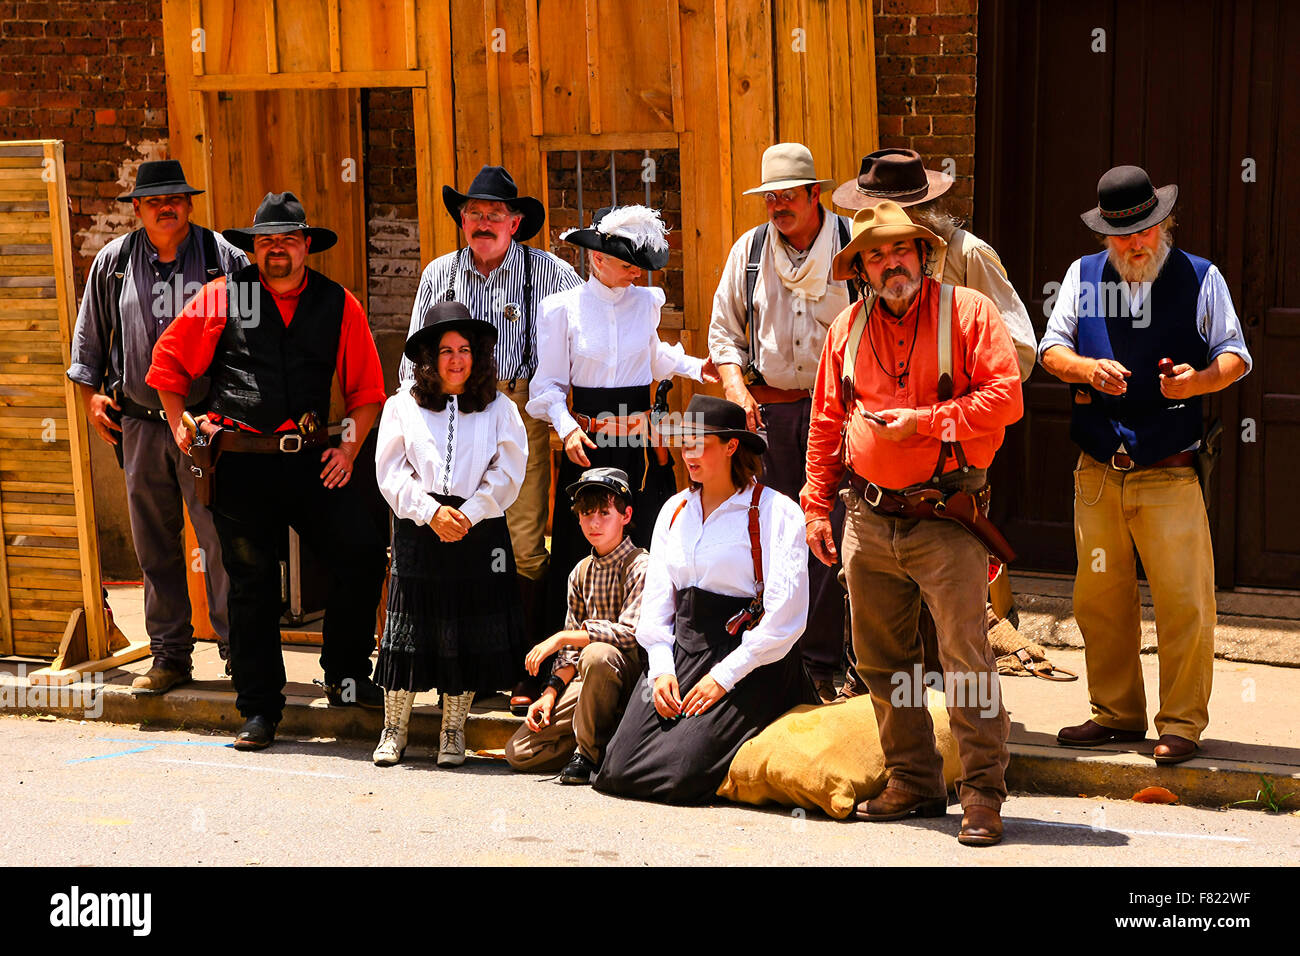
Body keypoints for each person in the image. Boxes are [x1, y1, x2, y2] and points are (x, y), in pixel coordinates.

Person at [802, 201, 1022, 846]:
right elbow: (825, 421)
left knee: (967, 660)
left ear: (923, 255)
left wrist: (925, 422)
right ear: (862, 268)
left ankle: (982, 791)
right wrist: (818, 502)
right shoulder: (845, 327)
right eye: (875, 253)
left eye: (901, 249)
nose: (890, 262)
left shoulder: (969, 312)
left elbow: (1005, 399)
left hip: (945, 514)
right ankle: (914, 780)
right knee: (883, 659)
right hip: (868, 517)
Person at [147, 191, 389, 751]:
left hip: (313, 463)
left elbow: (367, 392)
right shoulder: (222, 296)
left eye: (286, 238)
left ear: (306, 245)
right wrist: (180, 424)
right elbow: (167, 364)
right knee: (251, 588)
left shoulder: (339, 303)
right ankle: (259, 710)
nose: (275, 248)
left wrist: (348, 450)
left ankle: (348, 677)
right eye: (264, 240)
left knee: (359, 556)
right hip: (242, 467)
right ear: (253, 248)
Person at [1039, 165, 1251, 765]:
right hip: (1099, 467)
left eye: (1147, 230)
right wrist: (1086, 370)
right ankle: (1116, 714)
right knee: (1099, 600)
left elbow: (1235, 355)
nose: (1137, 243)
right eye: (1123, 234)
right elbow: (1050, 349)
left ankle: (1182, 723)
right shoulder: (1082, 277)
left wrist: (1197, 383)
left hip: (1170, 468)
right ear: (1105, 233)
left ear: (1165, 223)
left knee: (1185, 601)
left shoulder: (1200, 277)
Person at [831, 147, 1038, 697]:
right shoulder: (871, 267)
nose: (887, 240)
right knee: (892, 649)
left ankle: (975, 767)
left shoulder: (971, 260)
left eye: (898, 214)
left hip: (954, 460)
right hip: (880, 492)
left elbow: (1016, 357)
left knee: (961, 644)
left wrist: (941, 409)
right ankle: (915, 766)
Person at [400, 165, 581, 715]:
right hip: (444, 410)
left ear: (515, 221)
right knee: (458, 535)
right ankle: (470, 669)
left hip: (516, 408)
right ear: (462, 219)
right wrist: (410, 422)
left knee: (523, 545)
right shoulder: (438, 274)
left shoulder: (550, 272)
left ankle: (523, 667)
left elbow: (587, 333)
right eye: (473, 213)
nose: (482, 222)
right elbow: (414, 357)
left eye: (494, 214)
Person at [68, 159, 246, 693]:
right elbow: (89, 345)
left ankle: (241, 657)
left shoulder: (225, 259)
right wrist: (92, 397)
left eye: (175, 199)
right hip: (141, 426)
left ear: (190, 204)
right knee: (153, 544)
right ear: (138, 210)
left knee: (221, 542)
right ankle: (170, 657)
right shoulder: (113, 264)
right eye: (153, 201)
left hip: (208, 427)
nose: (166, 207)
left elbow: (251, 342)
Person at [593, 395, 817, 805]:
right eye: (684, 442)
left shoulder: (775, 512)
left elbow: (786, 616)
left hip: (751, 657)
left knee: (681, 774)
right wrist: (661, 669)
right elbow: (658, 607)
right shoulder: (674, 510)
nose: (688, 453)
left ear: (732, 446)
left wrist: (724, 676)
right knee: (618, 768)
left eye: (700, 442)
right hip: (685, 650)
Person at [707, 143, 855, 703]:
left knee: (834, 532)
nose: (778, 207)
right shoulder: (749, 252)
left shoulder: (851, 246)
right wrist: (736, 388)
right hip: (768, 411)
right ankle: (773, 658)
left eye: (788, 196)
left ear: (815, 193)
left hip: (836, 410)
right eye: (770, 198)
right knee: (774, 535)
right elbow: (723, 334)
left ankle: (827, 661)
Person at [529, 205, 716, 632]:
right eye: (630, 265)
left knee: (646, 537)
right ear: (598, 259)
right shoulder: (561, 309)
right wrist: (568, 428)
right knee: (581, 541)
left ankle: (649, 652)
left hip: (641, 448)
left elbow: (651, 358)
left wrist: (695, 366)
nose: (638, 274)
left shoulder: (646, 304)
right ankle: (563, 660)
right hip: (589, 445)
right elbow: (548, 387)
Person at [371, 301, 528, 767]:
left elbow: (509, 471)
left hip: (478, 531)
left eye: (464, 350)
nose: (456, 360)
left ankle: (453, 731)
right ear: (428, 358)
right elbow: (390, 472)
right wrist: (429, 511)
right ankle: (393, 729)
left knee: (463, 628)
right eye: (445, 351)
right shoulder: (401, 405)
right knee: (407, 629)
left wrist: (472, 512)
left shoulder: (499, 407)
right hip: (419, 528)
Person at [505, 467, 647, 784]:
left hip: (631, 682)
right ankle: (599, 741)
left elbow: (630, 633)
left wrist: (561, 637)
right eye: (586, 513)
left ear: (626, 515)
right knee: (521, 751)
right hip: (587, 684)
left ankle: (587, 754)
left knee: (597, 654)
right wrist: (550, 694)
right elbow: (570, 654)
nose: (594, 522)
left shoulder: (641, 565)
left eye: (604, 512)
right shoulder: (580, 572)